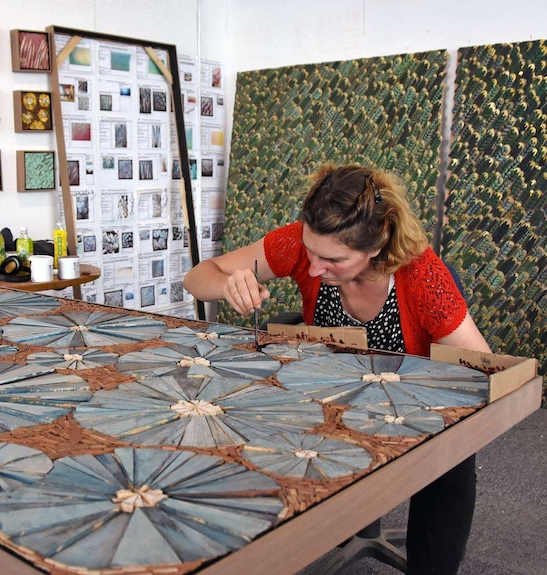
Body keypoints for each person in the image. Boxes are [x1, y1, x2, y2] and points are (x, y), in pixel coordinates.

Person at [184, 164, 492, 575]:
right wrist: (226, 286)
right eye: (311, 253)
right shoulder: (301, 244)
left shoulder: (423, 276)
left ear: (377, 246)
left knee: (453, 455)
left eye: (333, 260)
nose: (312, 269)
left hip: (412, 406)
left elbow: (481, 372)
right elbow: (196, 277)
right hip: (328, 389)